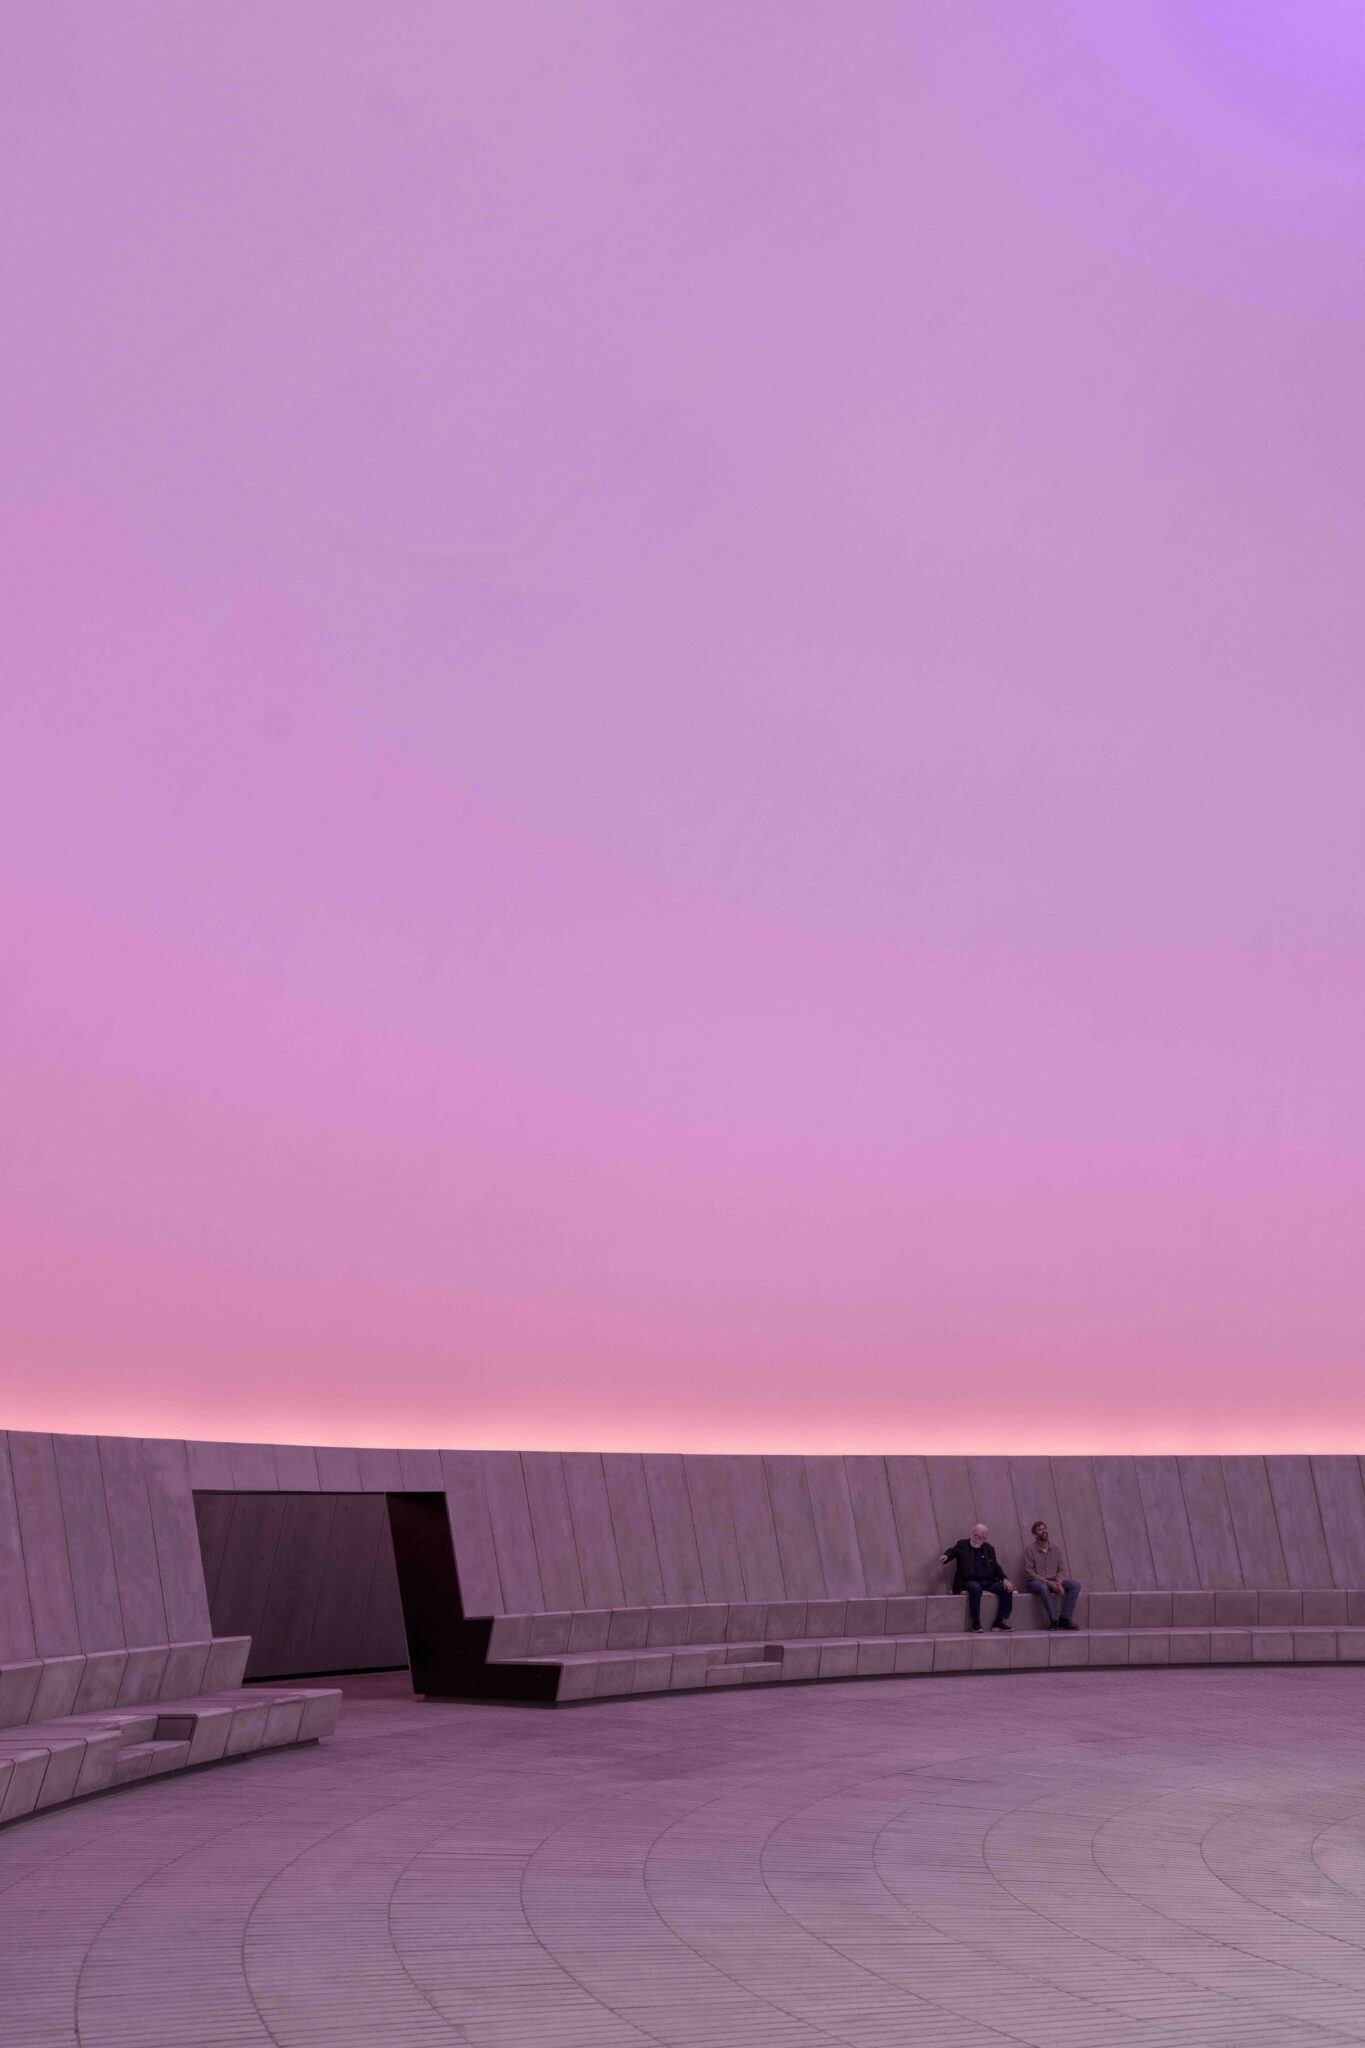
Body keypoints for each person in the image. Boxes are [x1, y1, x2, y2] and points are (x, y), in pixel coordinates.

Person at [940, 1523, 1013, 1630]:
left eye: (979, 1537)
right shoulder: (962, 1544)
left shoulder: (989, 1549)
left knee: (1007, 1589)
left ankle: (999, 1622)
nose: (976, 1539)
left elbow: (996, 1567)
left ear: (984, 1538)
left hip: (987, 1581)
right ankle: (976, 1622)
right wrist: (946, 1556)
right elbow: (953, 1551)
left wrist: (1005, 1579)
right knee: (975, 1588)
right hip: (968, 1581)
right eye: (975, 1535)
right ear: (972, 1533)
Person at [1021, 1519, 1082, 1629]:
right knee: (1044, 1587)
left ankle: (1065, 1618)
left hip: (1054, 1581)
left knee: (1075, 1585)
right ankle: (1053, 1621)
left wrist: (1058, 1583)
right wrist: (1049, 1583)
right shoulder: (1030, 1550)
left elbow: (1061, 1569)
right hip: (1036, 1583)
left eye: (1044, 1528)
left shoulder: (1056, 1549)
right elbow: (1029, 1573)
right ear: (1035, 1535)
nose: (1043, 1531)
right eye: (1039, 1530)